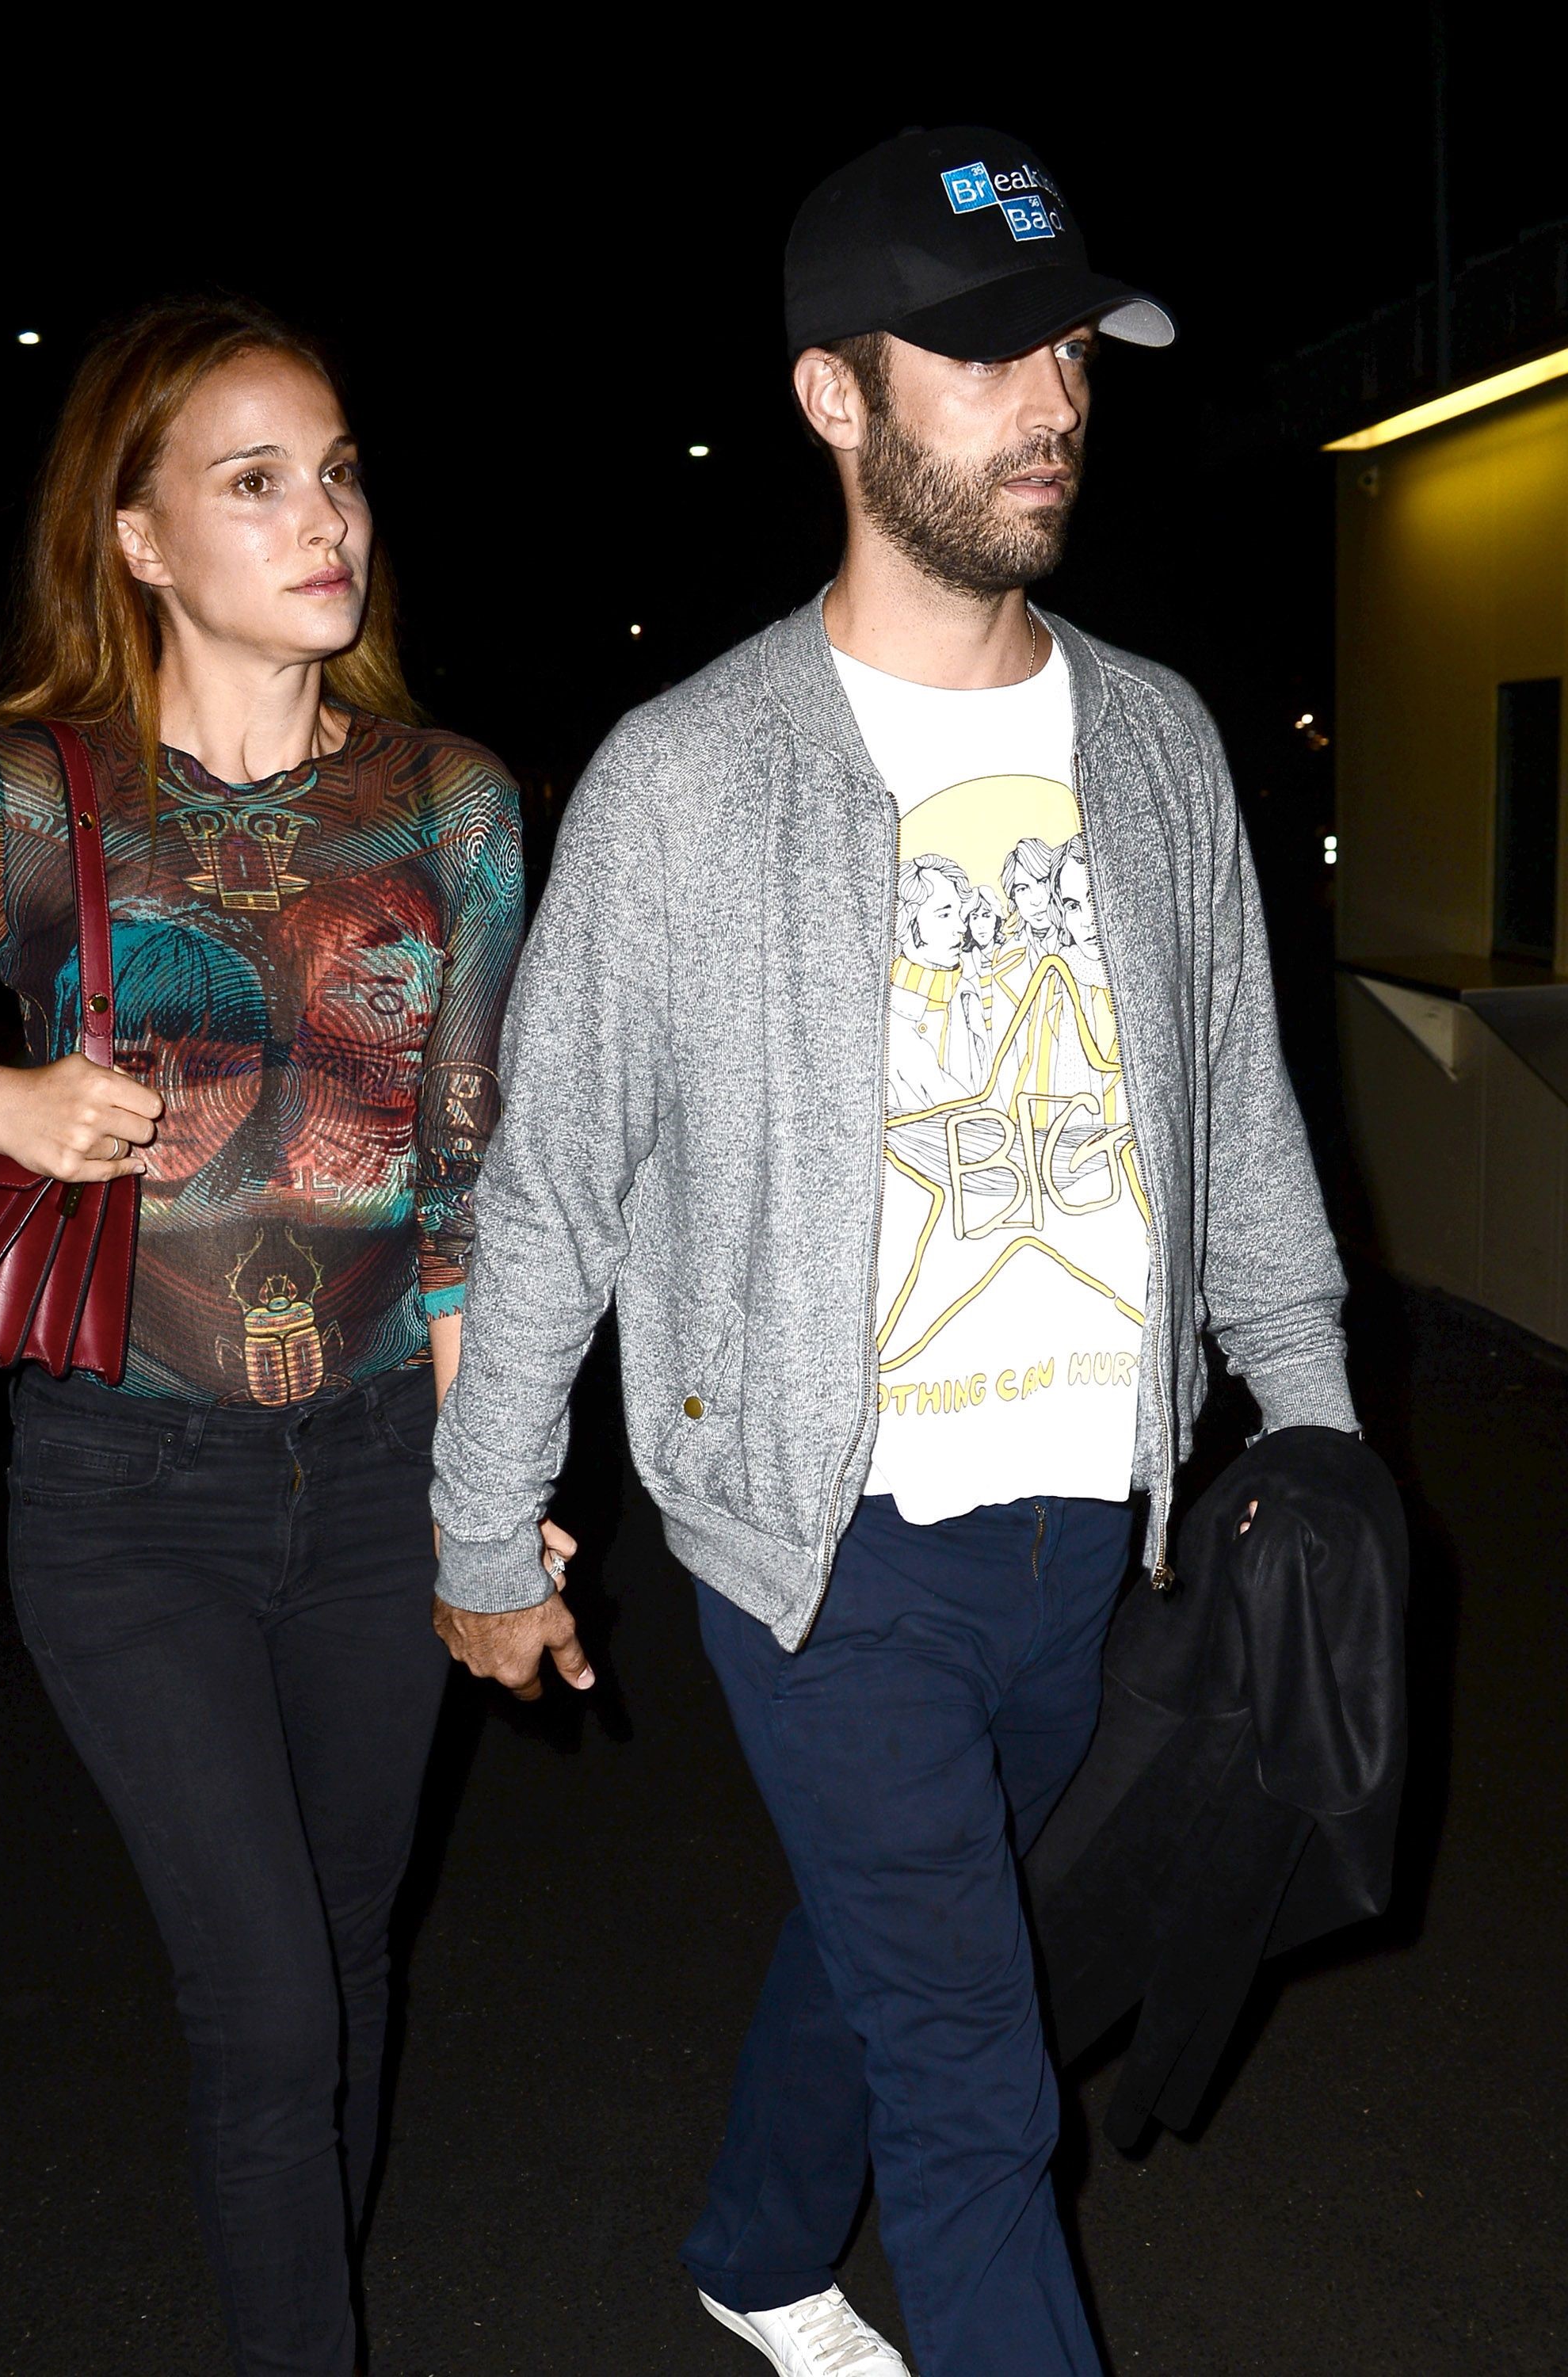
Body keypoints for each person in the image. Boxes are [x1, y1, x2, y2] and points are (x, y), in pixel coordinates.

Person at [425, 126, 1357, 2377]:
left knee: (911, 1935)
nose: (1049, 397)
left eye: (1066, 346)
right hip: (819, 1539)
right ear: (832, 397)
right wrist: (481, 1534)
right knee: (977, 2077)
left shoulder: (1154, 743)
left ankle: (754, 2246)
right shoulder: (685, 779)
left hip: (1089, 1526)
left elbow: (1239, 1117)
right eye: (977, 354)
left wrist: (1316, 1436)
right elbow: (557, 1181)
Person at [0, 296, 540, 2377]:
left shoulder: (453, 804)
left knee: (350, 1963)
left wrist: (497, 1494)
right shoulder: (31, 796)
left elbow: (471, 1180)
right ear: (137, 538)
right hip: (129, 1491)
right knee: (271, 2005)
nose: (329, 520)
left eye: (345, 470)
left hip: (387, 1476)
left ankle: (315, 2293)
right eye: (257, 480)